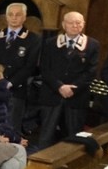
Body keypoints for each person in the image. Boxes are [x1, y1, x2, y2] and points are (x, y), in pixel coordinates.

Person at [37, 11, 99, 148]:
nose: (75, 25)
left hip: (77, 97)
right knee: (46, 136)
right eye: (71, 22)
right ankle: (39, 168)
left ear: (83, 24)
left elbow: (91, 72)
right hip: (52, 95)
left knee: (75, 136)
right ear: (64, 25)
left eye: (78, 23)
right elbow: (45, 69)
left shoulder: (93, 45)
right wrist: (59, 86)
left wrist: (73, 88)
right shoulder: (50, 43)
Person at [0, 2, 40, 137]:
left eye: (18, 15)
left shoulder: (33, 38)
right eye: (11, 15)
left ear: (24, 17)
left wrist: (9, 83)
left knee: (11, 127)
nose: (14, 18)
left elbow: (30, 66)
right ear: (6, 17)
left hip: (15, 90)